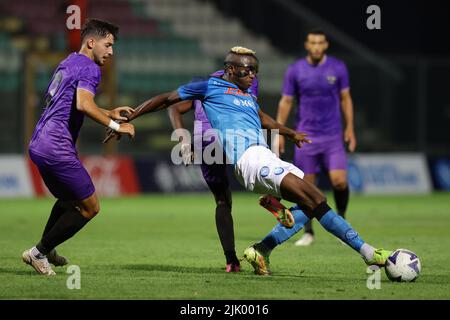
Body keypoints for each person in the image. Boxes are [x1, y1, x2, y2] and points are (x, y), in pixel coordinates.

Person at [106, 46, 391, 277]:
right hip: (250, 160)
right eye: (247, 70)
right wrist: (131, 118)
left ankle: (261, 248)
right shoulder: (209, 86)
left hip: (263, 154)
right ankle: (370, 254)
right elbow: (166, 100)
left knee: (312, 201)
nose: (253, 75)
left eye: (256, 70)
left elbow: (261, 117)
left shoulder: (247, 95)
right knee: (312, 198)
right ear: (230, 69)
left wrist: (289, 132)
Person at [22, 19, 135, 276]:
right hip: (56, 147)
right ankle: (38, 253)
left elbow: (72, 103)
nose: (111, 51)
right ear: (91, 42)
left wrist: (108, 112)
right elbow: (84, 105)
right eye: (107, 45)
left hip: (39, 143)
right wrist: (118, 127)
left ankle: (48, 249)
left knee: (68, 198)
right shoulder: (91, 68)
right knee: (90, 207)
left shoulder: (69, 61)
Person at [167, 68, 259, 272]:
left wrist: (184, 142)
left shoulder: (204, 85)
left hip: (206, 141)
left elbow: (173, 108)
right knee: (261, 174)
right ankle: (273, 200)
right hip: (235, 139)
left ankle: (231, 261)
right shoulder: (247, 85)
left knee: (222, 201)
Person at [275, 29, 356, 246]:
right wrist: (280, 132)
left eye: (320, 42)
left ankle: (342, 219)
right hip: (305, 137)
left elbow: (346, 99)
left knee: (339, 182)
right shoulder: (295, 70)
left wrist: (350, 129)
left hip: (332, 136)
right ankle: (308, 232)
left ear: (326, 45)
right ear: (306, 45)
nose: (317, 46)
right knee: (307, 188)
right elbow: (286, 102)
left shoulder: (338, 68)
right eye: (313, 42)